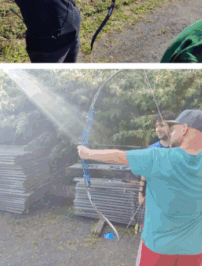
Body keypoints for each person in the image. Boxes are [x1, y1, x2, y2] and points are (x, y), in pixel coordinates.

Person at [78, 109, 202, 266]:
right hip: (194, 248)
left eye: (174, 127)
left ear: (184, 129)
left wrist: (86, 153)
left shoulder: (158, 156)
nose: (171, 131)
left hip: (158, 247)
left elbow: (119, 156)